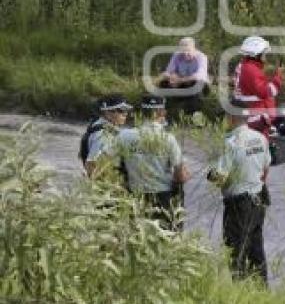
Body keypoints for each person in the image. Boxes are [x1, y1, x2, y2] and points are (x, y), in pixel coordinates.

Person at [207, 97, 272, 284]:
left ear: (231, 117)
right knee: (256, 249)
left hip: (238, 204)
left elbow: (220, 178)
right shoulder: (260, 138)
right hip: (258, 199)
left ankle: (240, 293)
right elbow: (266, 167)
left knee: (236, 251)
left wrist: (211, 173)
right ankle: (262, 290)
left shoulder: (231, 143)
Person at [114, 95, 190, 230]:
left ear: (141, 113)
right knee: (163, 238)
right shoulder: (168, 139)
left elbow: (111, 165)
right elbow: (181, 176)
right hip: (162, 198)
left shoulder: (124, 135)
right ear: (162, 113)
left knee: (137, 237)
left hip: (135, 196)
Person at [233, 35, 282, 138]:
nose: (265, 55)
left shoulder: (244, 65)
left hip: (250, 111)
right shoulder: (251, 69)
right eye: (263, 53)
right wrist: (278, 78)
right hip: (256, 114)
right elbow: (266, 92)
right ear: (256, 54)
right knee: (261, 142)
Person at [81, 94, 132, 179]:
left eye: (126, 110)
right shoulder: (102, 134)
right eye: (121, 110)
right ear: (107, 112)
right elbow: (91, 163)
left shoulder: (101, 126)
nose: (125, 113)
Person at [159, 37, 210, 116]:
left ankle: (193, 114)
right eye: (183, 51)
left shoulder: (202, 57)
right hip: (182, 83)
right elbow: (167, 72)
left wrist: (180, 80)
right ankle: (166, 112)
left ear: (194, 48)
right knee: (164, 83)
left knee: (197, 84)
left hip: (199, 85)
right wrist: (172, 77)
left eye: (188, 50)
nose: (185, 54)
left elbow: (199, 76)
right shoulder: (177, 55)